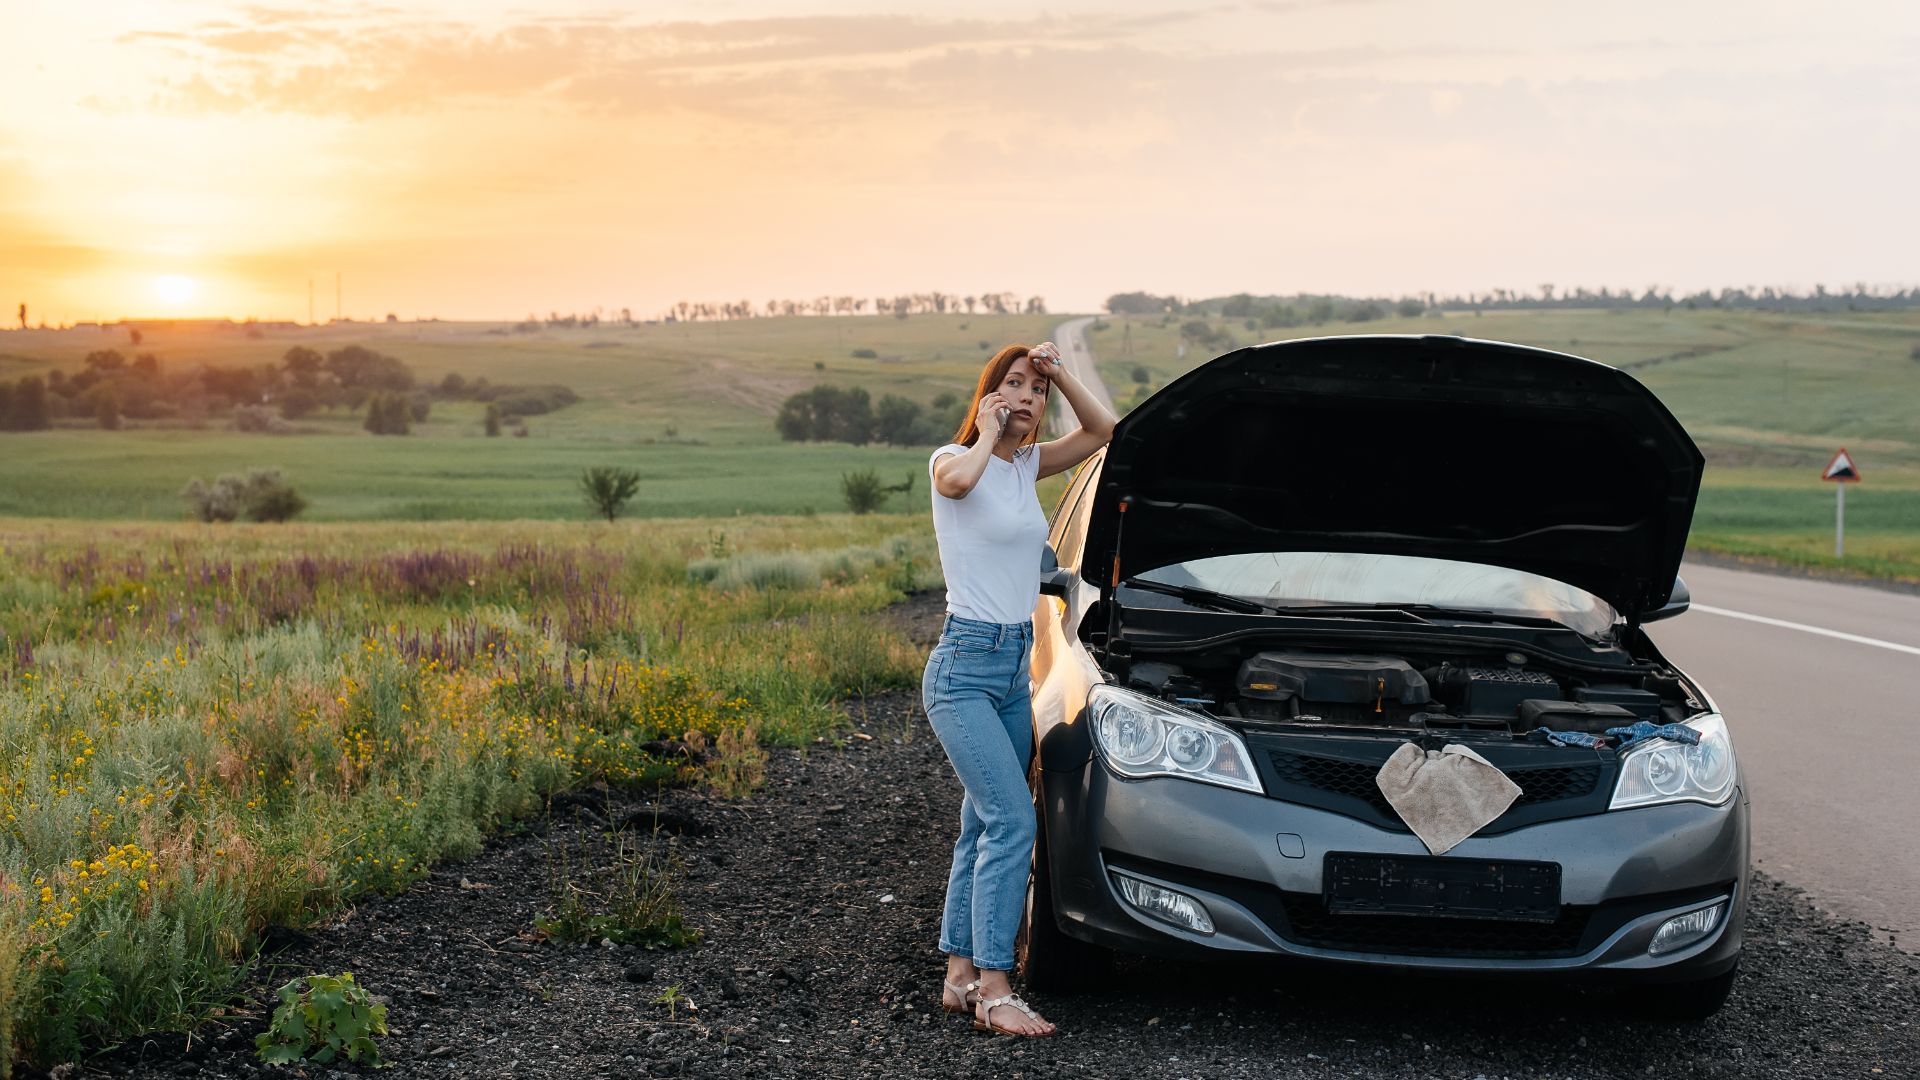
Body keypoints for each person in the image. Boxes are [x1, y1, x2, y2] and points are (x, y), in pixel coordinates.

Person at [923, 339, 1116, 1037]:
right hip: (962, 669)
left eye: (1036, 389)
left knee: (983, 820)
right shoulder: (953, 459)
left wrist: (1061, 371)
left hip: (1010, 670)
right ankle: (996, 987)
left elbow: (1102, 433)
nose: (1028, 398)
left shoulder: (1030, 466)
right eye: (1015, 384)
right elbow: (957, 486)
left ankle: (958, 974)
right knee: (1012, 820)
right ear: (988, 395)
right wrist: (988, 431)